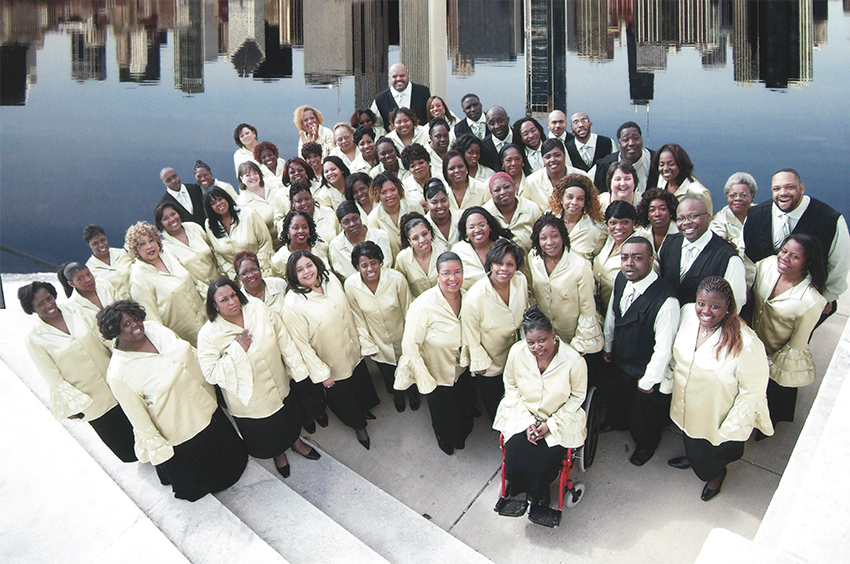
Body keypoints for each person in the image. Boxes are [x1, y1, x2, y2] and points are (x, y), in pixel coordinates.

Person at [98, 300, 247, 499]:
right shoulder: (118, 374)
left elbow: (186, 350)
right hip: (182, 426)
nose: (135, 325)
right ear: (114, 331)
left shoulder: (154, 329)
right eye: (126, 324)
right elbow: (139, 420)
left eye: (135, 319)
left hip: (204, 399)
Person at [197, 279, 320, 478]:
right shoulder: (208, 335)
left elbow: (282, 336)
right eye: (224, 299)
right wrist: (238, 350)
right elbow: (211, 374)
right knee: (269, 430)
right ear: (214, 305)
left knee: (287, 417)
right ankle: (278, 454)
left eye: (233, 295)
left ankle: (297, 443)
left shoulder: (256, 306)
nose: (232, 302)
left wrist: (296, 368)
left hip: (278, 382)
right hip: (252, 400)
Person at [665, 277, 773, 502]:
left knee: (710, 457)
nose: (705, 311)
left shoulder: (747, 344)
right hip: (686, 405)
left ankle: (715, 474)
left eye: (715, 306)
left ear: (728, 308)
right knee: (692, 440)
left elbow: (752, 392)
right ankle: (693, 458)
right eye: (701, 303)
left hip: (717, 417)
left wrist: (731, 428)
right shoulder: (687, 314)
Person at [20, 282, 136, 463]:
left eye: (49, 298)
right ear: (31, 308)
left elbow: (104, 338)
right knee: (127, 449)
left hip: (117, 381)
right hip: (91, 399)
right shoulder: (34, 339)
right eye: (40, 304)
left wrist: (131, 359)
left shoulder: (76, 310)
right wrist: (70, 404)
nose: (48, 305)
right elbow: (52, 377)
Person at [493, 306, 587, 512]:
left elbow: (578, 396)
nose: (537, 347)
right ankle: (520, 488)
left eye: (542, 339)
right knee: (515, 456)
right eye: (531, 342)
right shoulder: (517, 352)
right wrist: (528, 423)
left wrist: (549, 425)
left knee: (543, 463)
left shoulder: (573, 360)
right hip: (523, 415)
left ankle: (540, 495)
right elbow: (511, 386)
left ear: (553, 333)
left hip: (558, 419)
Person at [283, 251, 380, 449]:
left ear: (316, 264)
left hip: (352, 350)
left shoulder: (330, 280)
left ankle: (364, 410)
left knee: (360, 386)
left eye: (309, 265)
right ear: (293, 276)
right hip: (331, 363)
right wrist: (322, 373)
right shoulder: (292, 304)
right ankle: (359, 427)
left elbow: (351, 312)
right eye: (299, 270)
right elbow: (302, 345)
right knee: (344, 399)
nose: (307, 271)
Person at [601, 236, 679, 465]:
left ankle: (646, 445)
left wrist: (649, 381)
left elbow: (664, 349)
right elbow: (612, 315)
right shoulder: (621, 279)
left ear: (651, 260)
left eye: (637, 258)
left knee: (644, 416)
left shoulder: (667, 301)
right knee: (619, 398)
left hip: (643, 369)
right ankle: (617, 422)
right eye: (624, 257)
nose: (629, 263)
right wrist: (608, 344)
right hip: (621, 358)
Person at [743, 168, 850, 320]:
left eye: (790, 187)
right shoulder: (754, 215)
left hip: (804, 307)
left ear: (802, 188)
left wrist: (824, 300)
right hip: (759, 303)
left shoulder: (831, 220)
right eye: (776, 189)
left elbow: (839, 266)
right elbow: (747, 260)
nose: (783, 192)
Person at [396, 252, 475, 455]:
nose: (453, 278)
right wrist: (425, 380)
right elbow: (410, 345)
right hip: (436, 372)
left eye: (458, 272)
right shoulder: (423, 305)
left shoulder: (467, 297)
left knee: (462, 403)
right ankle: (444, 436)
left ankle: (462, 432)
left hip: (461, 367)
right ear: (437, 276)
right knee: (442, 412)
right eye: (446, 273)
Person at [751, 234, 827, 430]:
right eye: (784, 251)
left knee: (771, 398)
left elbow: (798, 343)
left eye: (794, 256)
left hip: (776, 356)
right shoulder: (767, 265)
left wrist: (769, 364)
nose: (784, 257)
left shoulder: (812, 301)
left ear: (807, 262)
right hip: (752, 345)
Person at [461, 239, 528, 422]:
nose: (504, 269)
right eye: (499, 263)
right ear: (490, 264)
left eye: (510, 264)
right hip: (491, 361)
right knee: (496, 401)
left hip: (516, 353)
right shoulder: (474, 297)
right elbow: (470, 334)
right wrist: (479, 363)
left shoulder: (521, 281)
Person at [344, 241, 416, 412]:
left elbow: (409, 310)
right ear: (357, 267)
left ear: (380, 262)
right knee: (389, 375)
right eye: (364, 265)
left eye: (373, 263)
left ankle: (413, 394)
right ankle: (397, 396)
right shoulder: (351, 286)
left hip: (402, 337)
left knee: (409, 370)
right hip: (380, 343)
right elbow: (358, 319)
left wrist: (411, 341)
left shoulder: (396, 279)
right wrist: (369, 345)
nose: (370, 269)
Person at [528, 213, 603, 355]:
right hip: (544, 337)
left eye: (554, 236)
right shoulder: (532, 258)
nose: (549, 242)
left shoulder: (581, 265)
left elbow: (588, 309)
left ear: (563, 236)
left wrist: (576, 347)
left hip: (573, 337)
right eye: (543, 238)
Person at [125, 221, 207, 346]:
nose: (149, 246)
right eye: (142, 244)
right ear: (135, 249)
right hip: (186, 341)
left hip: (207, 321)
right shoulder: (138, 280)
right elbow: (153, 323)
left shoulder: (168, 254)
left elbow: (195, 282)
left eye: (151, 240)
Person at [659, 197, 746, 310]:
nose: (687, 223)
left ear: (707, 217)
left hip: (705, 323)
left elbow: (735, 303)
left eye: (693, 216)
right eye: (681, 218)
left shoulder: (728, 256)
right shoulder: (669, 243)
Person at [203, 187, 274, 280]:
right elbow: (217, 253)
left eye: (220, 199)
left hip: (264, 271)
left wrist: (258, 270)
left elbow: (265, 242)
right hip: (238, 279)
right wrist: (233, 274)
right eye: (213, 203)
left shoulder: (249, 214)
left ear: (226, 198)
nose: (219, 203)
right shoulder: (209, 224)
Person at [154, 201, 219, 286]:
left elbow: (215, 251)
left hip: (221, 281)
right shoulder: (165, 248)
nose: (172, 219)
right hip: (199, 294)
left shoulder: (195, 227)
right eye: (165, 218)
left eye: (173, 214)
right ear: (161, 224)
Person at [328, 200, 392, 281]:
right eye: (346, 222)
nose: (352, 224)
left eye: (355, 218)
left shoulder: (381, 236)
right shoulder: (335, 246)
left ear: (360, 216)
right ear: (341, 224)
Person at [548, 173, 606, 261]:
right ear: (561, 198)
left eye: (580, 199)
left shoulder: (596, 229)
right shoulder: (548, 219)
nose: (574, 202)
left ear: (585, 202)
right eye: (570, 197)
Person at [452, 206, 513, 291]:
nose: (477, 230)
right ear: (465, 231)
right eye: (472, 227)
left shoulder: (505, 246)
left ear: (490, 226)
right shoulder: (458, 251)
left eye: (481, 225)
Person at [367, 171, 424, 260]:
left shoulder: (414, 206)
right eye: (384, 192)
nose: (389, 195)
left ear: (398, 189)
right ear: (377, 195)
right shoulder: (373, 218)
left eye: (393, 190)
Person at [593, 202, 638, 312]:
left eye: (625, 222)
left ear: (634, 222)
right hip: (601, 308)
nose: (619, 227)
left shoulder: (640, 247)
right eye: (613, 223)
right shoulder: (609, 239)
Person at [483, 172, 542, 256]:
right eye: (497, 190)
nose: (503, 192)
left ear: (514, 187)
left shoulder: (532, 209)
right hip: (500, 267)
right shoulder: (485, 214)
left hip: (529, 266)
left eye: (507, 187)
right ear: (491, 193)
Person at [592, 121, 655, 199]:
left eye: (636, 138)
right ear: (619, 143)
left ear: (641, 140)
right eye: (625, 140)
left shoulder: (656, 161)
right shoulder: (604, 165)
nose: (631, 143)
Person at [524, 139, 589, 211]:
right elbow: (527, 211)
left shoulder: (582, 177)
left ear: (564, 155)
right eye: (548, 157)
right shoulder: (532, 181)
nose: (553, 160)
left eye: (557, 155)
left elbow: (592, 206)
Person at [395, 211, 448, 298]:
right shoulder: (402, 259)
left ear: (430, 232)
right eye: (415, 238)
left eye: (425, 234)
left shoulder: (443, 250)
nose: (422, 240)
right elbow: (402, 288)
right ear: (410, 241)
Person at [649, 143, 713, 215]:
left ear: (681, 164)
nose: (665, 169)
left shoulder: (698, 192)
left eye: (671, 164)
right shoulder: (662, 180)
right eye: (661, 165)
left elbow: (708, 220)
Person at [371, 63, 431, 128]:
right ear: (389, 78)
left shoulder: (424, 93)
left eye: (402, 75)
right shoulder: (380, 100)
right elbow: (377, 126)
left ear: (408, 75)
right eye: (394, 76)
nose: (399, 79)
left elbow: (432, 118)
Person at [270, 210, 329, 277]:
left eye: (304, 227)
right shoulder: (278, 260)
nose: (301, 231)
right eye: (295, 228)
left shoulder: (321, 246)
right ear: (288, 232)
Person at [236, 161, 281, 244]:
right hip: (271, 244)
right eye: (248, 175)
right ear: (241, 178)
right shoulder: (241, 204)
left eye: (255, 173)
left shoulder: (275, 184)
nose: (253, 177)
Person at [710, 172, 757, 250]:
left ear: (752, 197)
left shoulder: (762, 213)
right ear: (727, 198)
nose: (738, 199)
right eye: (732, 195)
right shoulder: (719, 220)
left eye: (743, 195)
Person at [83, 224, 132, 299]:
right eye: (95, 243)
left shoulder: (123, 253)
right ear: (89, 245)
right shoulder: (90, 269)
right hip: (120, 308)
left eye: (103, 240)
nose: (101, 245)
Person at [234, 251, 288, 316]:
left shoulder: (279, 285)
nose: (251, 275)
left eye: (254, 269)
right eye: (245, 273)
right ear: (239, 277)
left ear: (260, 270)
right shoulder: (240, 301)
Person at [635, 187, 679, 256]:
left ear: (670, 211)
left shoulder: (680, 233)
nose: (657, 214)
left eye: (662, 209)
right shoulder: (641, 234)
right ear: (647, 214)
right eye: (652, 210)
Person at [424, 178, 461, 248]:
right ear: (427, 204)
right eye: (434, 202)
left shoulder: (462, 217)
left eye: (444, 200)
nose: (440, 206)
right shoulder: (423, 225)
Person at [479, 106, 512, 171]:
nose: (497, 126)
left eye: (500, 121)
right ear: (487, 126)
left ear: (508, 120)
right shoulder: (483, 147)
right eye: (492, 123)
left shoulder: (520, 138)